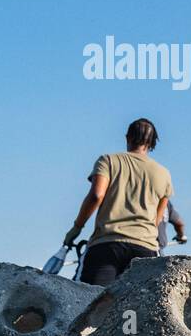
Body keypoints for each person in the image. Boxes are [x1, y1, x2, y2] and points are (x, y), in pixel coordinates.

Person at [61, 118, 173, 286]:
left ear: (127, 137)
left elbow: (96, 196)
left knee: (91, 303)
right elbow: (157, 219)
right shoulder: (164, 174)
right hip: (145, 250)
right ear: (151, 143)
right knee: (138, 306)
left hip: (106, 245)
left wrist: (76, 228)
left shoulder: (108, 161)